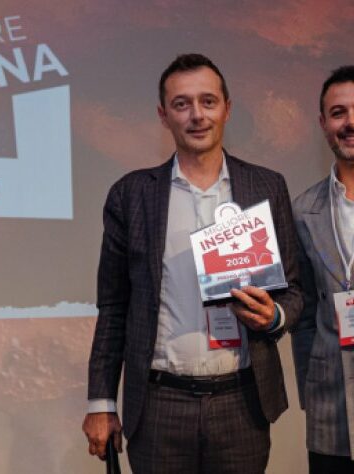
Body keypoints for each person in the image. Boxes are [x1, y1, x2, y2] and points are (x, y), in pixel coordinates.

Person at [82, 53, 302, 474]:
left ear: (227, 109)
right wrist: (101, 402)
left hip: (243, 402)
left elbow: (294, 290)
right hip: (160, 404)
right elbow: (113, 306)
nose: (197, 115)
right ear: (163, 116)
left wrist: (274, 316)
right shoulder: (132, 195)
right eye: (182, 104)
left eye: (208, 101)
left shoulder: (266, 186)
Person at [291, 65, 354, 473]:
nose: (350, 122)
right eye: (338, 112)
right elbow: (303, 315)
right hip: (332, 408)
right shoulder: (303, 210)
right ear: (323, 124)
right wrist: (309, 389)